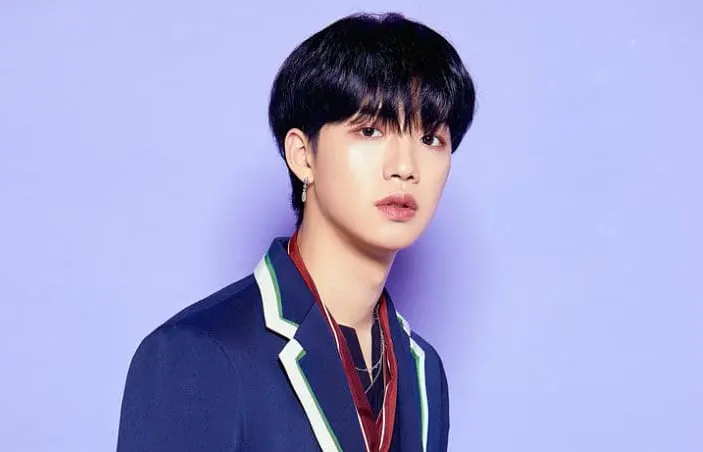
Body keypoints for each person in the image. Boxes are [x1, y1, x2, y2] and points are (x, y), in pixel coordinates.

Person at [116, 11, 475, 452]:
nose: (405, 167)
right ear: (303, 156)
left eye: (431, 139)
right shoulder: (198, 354)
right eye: (370, 131)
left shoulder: (423, 372)